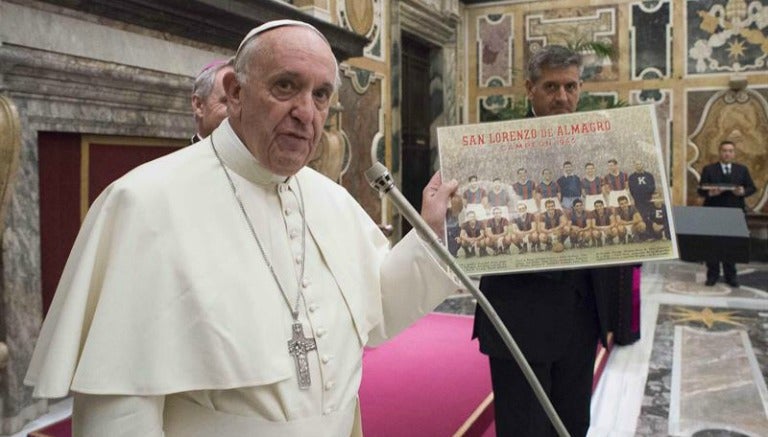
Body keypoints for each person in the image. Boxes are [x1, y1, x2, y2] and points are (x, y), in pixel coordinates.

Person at [25, 20, 460, 437]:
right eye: (285, 86)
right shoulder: (144, 203)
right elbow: (119, 406)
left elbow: (377, 306)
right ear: (235, 92)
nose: (306, 113)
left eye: (321, 94)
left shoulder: (331, 200)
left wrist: (429, 237)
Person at [473, 45, 635, 437]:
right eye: (551, 87)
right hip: (520, 317)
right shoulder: (494, 147)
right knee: (524, 429)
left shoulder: (603, 146)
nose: (562, 97)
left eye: (570, 86)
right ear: (530, 89)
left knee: (573, 425)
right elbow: (478, 222)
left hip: (583, 314)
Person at [697, 140, 756, 287]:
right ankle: (712, 275)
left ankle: (731, 276)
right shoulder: (709, 169)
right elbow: (700, 190)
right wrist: (711, 192)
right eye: (724, 150)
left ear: (734, 153)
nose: (727, 153)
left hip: (734, 213)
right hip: (713, 212)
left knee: (731, 245)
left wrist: (743, 191)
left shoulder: (742, 170)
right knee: (713, 245)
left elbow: (751, 188)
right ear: (720, 152)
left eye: (730, 151)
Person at [190, 58, 234, 143]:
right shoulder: (183, 156)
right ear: (199, 105)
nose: (239, 111)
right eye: (227, 101)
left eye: (243, 102)